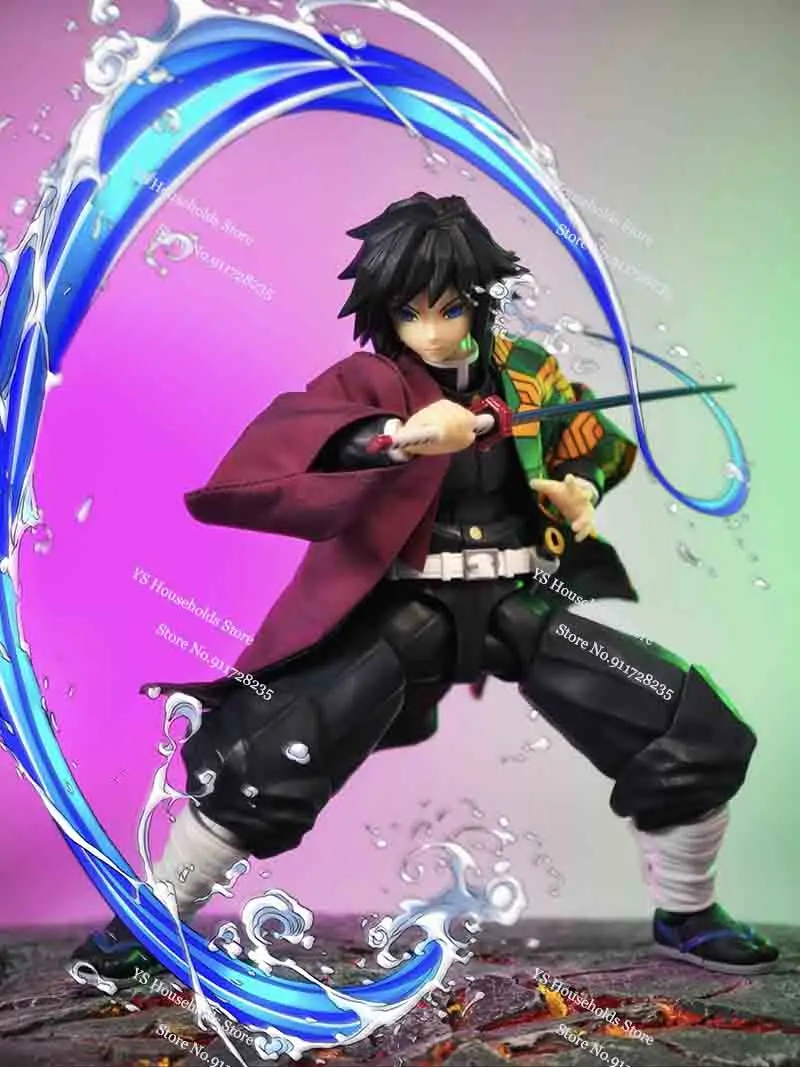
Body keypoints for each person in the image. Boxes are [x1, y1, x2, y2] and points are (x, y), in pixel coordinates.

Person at [73, 192, 777, 982]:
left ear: (479, 301)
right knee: (268, 754)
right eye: (411, 313)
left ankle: (687, 909)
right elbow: (292, 442)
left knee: (689, 725)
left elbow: (590, 437)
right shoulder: (371, 380)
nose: (434, 331)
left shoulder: (527, 373)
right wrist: (396, 438)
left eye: (450, 308)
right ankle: (149, 918)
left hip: (517, 604)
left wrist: (579, 486)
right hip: (411, 608)